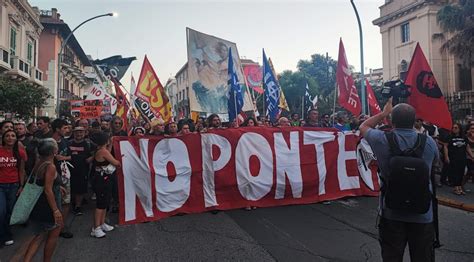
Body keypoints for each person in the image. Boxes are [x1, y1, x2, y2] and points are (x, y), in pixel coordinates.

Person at [360, 98, 439, 262]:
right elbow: (435, 164)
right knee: (423, 256)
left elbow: (363, 127)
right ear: (414, 121)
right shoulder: (429, 142)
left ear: (392, 121)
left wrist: (383, 113)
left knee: (392, 256)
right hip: (423, 214)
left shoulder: (382, 139)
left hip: (391, 212)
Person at [23, 138, 63, 262]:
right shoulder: (50, 166)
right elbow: (47, 189)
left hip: (38, 204)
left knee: (38, 236)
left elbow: (43, 182)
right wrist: (55, 210)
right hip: (49, 205)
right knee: (52, 236)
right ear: (54, 151)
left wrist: (58, 186)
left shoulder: (39, 162)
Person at [91, 132, 120, 238]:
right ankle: (96, 227)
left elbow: (108, 153)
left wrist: (111, 144)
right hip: (101, 180)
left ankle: (102, 223)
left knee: (105, 202)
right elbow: (116, 162)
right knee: (100, 204)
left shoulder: (102, 150)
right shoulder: (103, 151)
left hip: (104, 178)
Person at [0, 130, 26, 246]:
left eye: (13, 136)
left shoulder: (19, 152)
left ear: (16, 138)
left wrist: (21, 186)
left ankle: (6, 233)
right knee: (1, 211)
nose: (10, 138)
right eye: (7, 136)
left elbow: (21, 170)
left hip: (14, 185)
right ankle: (3, 235)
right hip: (0, 185)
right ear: (3, 138)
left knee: (10, 211)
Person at [51, 119, 73, 239]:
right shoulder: (49, 143)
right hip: (53, 178)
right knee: (56, 204)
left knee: (66, 202)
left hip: (65, 176)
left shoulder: (65, 142)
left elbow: (71, 156)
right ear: (57, 129)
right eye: (64, 128)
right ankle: (54, 227)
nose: (67, 130)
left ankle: (61, 227)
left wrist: (63, 157)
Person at [68, 127, 93, 216]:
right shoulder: (69, 143)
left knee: (80, 189)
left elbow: (97, 151)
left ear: (85, 133)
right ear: (73, 133)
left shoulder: (89, 143)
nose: (79, 134)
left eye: (81, 132)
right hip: (69, 170)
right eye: (77, 132)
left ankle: (78, 206)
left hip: (83, 170)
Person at [443, 123, 472, 195]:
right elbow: (445, 146)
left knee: (461, 172)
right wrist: (446, 156)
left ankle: (459, 186)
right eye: (453, 128)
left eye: (456, 128)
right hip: (453, 158)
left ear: (459, 129)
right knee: (455, 172)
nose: (454, 129)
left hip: (462, 158)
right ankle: (455, 188)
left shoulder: (464, 137)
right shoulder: (449, 137)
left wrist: (472, 155)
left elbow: (467, 147)